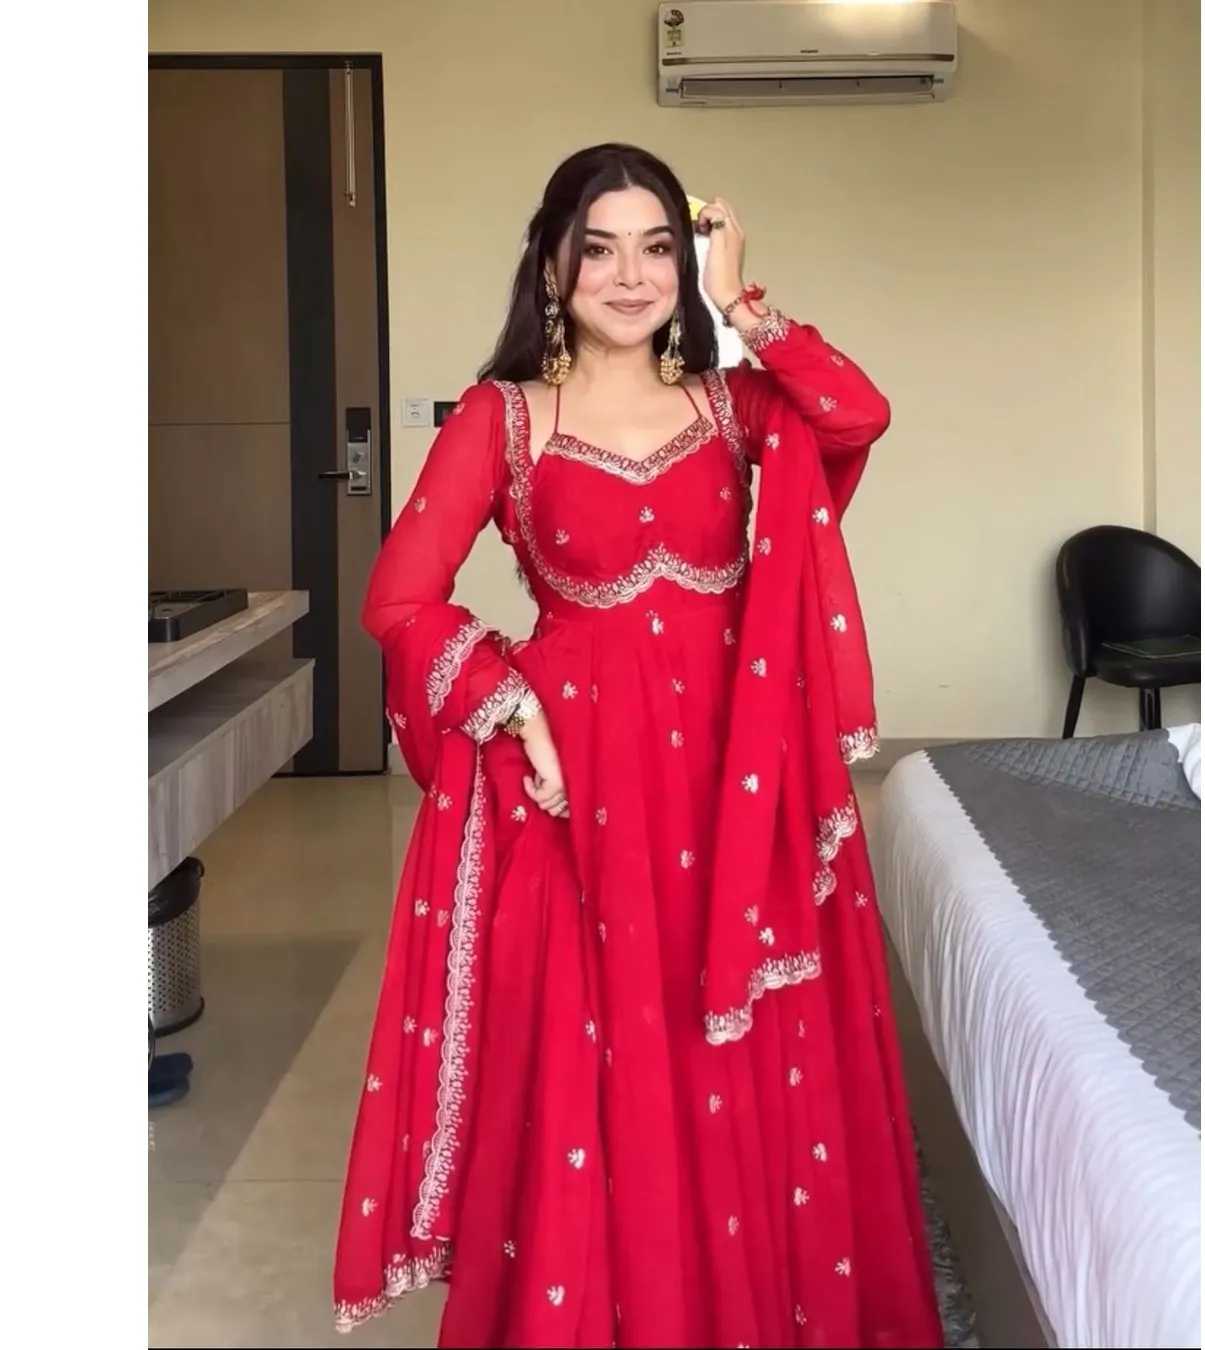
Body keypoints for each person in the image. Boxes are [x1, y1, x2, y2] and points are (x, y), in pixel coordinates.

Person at [333, 143, 944, 1350]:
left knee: (748, 1052)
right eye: (599, 249)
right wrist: (515, 707)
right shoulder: (504, 417)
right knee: (602, 1063)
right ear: (552, 266)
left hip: (739, 781)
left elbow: (857, 413)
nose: (629, 276)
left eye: (657, 248)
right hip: (584, 793)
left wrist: (741, 301)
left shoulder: (731, 404)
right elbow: (399, 598)